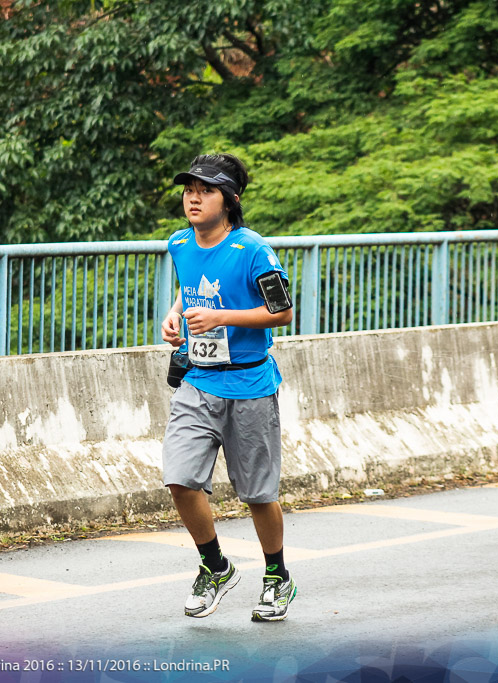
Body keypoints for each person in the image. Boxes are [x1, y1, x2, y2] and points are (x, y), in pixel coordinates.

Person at [160, 153, 297, 622]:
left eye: (206, 190)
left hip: (251, 384)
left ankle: (277, 576)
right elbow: (192, 283)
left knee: (258, 494)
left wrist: (220, 317)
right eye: (189, 189)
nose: (193, 197)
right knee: (179, 479)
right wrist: (176, 313)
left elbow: (282, 312)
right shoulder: (179, 242)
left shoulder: (253, 249)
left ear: (230, 200)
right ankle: (215, 566)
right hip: (197, 380)